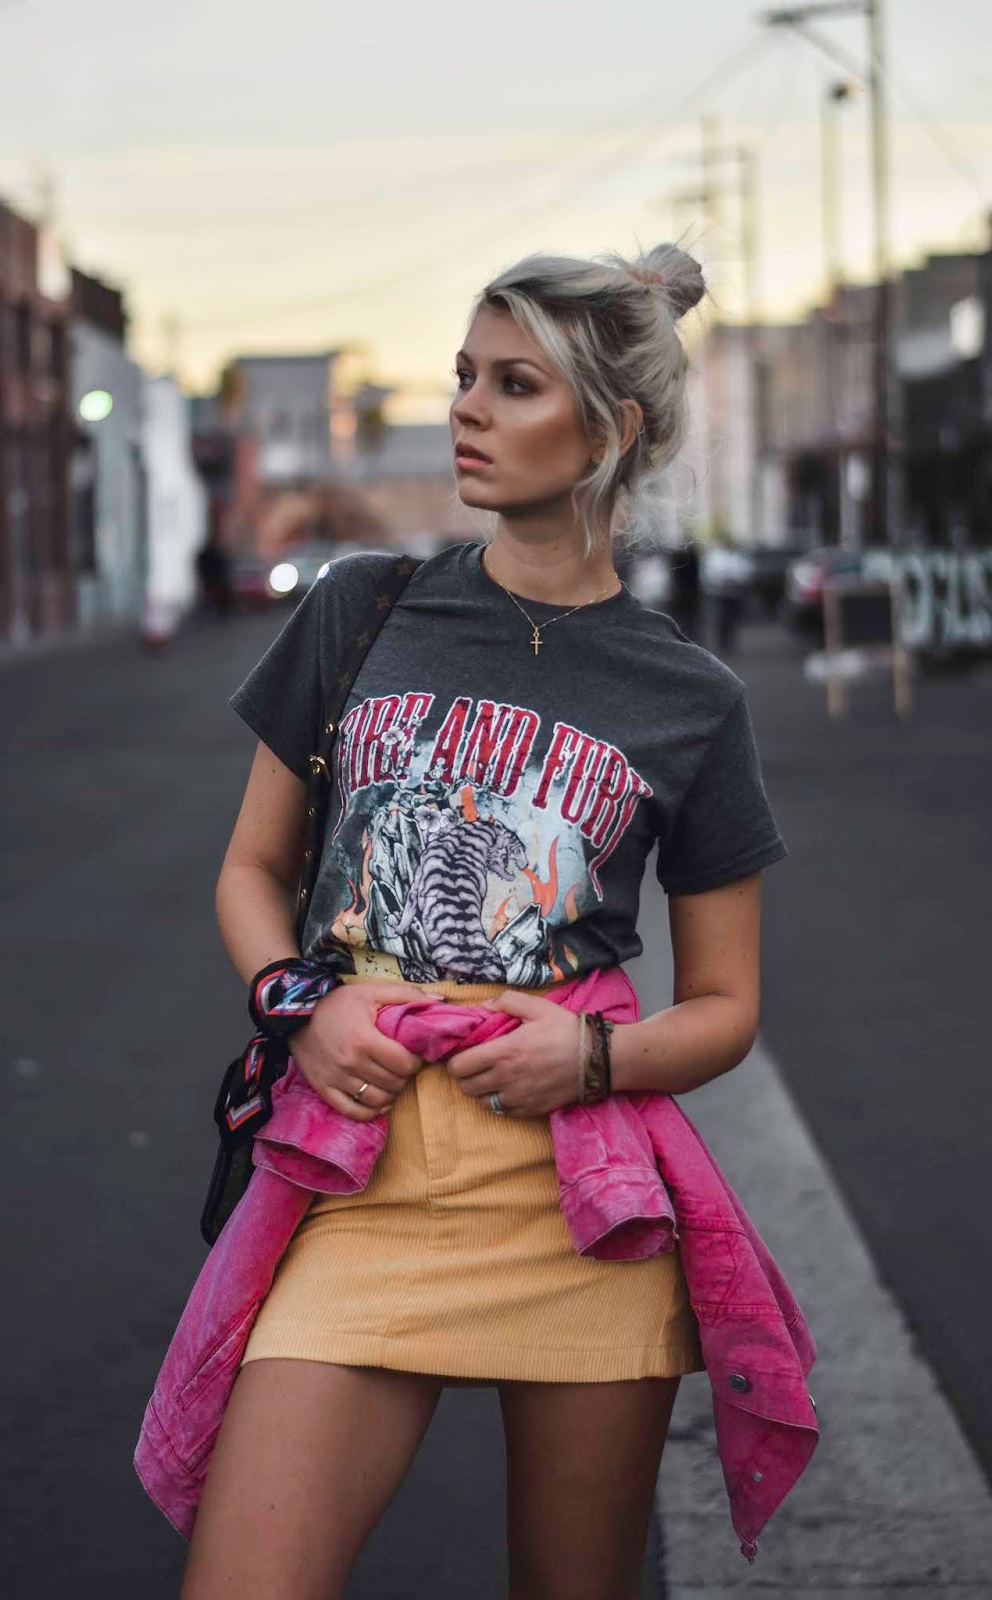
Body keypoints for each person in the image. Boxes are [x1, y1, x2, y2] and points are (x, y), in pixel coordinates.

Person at [180, 243, 789, 1599]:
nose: (465, 407)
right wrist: (303, 1002)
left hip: (579, 1206)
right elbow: (249, 871)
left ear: (608, 430)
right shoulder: (363, 609)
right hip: (359, 1184)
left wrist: (592, 1056)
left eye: (513, 384)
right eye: (464, 375)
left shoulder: (690, 697)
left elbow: (727, 1006)